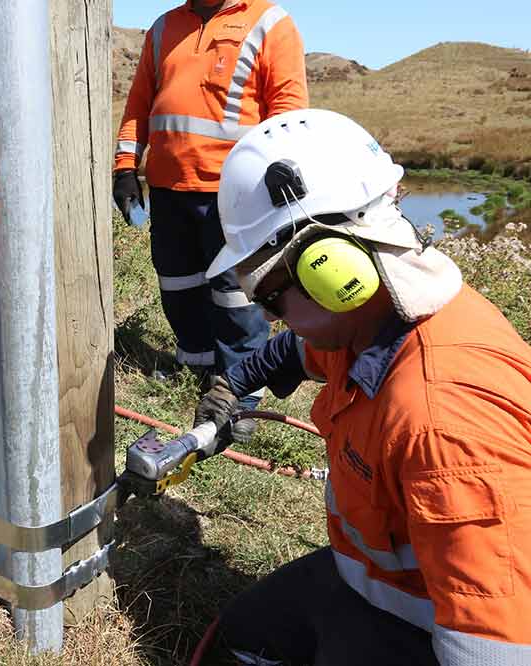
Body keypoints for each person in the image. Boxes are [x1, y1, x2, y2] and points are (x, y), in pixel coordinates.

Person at [191, 108, 531, 665]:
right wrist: (236, 382)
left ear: (328, 265)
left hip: (429, 633)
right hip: (376, 586)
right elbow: (293, 353)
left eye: (270, 296)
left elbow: (496, 646)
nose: (269, 316)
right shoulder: (375, 322)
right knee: (243, 637)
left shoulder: (442, 423)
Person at [112, 0, 308, 444]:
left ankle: (242, 393)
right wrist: (125, 167)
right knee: (179, 285)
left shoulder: (269, 22)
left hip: (236, 192)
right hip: (169, 188)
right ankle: (197, 371)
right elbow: (139, 104)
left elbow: (288, 110)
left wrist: (280, 167)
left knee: (237, 296)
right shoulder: (163, 29)